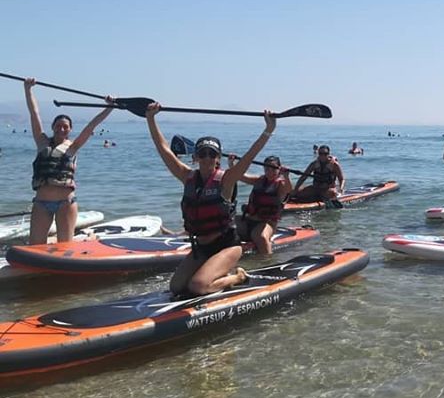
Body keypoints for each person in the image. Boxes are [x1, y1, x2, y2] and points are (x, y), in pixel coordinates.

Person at [146, 102, 277, 296]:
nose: (207, 158)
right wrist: (150, 119)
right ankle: (213, 274)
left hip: (227, 246)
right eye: (202, 154)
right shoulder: (187, 176)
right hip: (202, 247)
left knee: (198, 286)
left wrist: (268, 130)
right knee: (176, 287)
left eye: (212, 154)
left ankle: (238, 277)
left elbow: (249, 157)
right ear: (196, 157)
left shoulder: (226, 180)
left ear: (218, 158)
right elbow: (164, 150)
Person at [24, 77, 115, 244]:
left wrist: (109, 107)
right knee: (35, 245)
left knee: (65, 246)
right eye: (58, 125)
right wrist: (28, 89)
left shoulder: (73, 146)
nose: (61, 128)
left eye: (65, 126)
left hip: (65, 203)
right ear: (52, 127)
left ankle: (83, 241)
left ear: (70, 129)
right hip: (41, 203)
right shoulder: (42, 142)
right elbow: (34, 114)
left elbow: (92, 125)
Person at [233, 155, 292, 256]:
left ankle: (267, 261)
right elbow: (239, 176)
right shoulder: (258, 180)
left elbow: (289, 189)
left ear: (279, 169)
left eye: (273, 168)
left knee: (261, 237)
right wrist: (232, 164)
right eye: (267, 168)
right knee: (225, 226)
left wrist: (286, 176)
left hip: (267, 223)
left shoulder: (281, 184)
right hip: (249, 220)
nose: (270, 171)